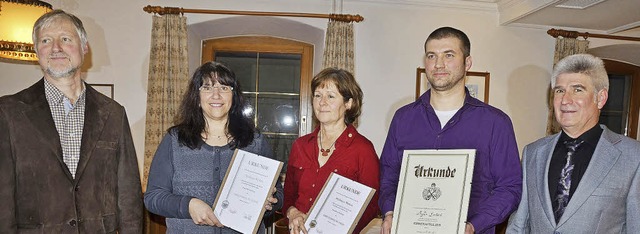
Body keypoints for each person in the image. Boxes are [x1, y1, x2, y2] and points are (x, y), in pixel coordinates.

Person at [0, 10, 142, 232]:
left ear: (84, 48)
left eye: (65, 39)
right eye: (46, 41)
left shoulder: (113, 113)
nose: (56, 48)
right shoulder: (8, 112)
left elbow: (129, 196)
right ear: (37, 50)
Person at [378, 26, 522, 234]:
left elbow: (510, 188)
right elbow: (388, 177)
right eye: (431, 56)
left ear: (467, 63)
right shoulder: (403, 118)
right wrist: (390, 213)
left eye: (449, 55)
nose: (438, 64)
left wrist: (473, 226)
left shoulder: (495, 123)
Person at [507, 54, 640, 233]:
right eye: (559, 91)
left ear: (600, 98)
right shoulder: (534, 152)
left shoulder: (633, 157)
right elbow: (519, 223)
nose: (565, 100)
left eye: (577, 90)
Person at [144, 61, 283, 233]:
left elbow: (278, 195)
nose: (216, 95)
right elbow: (153, 198)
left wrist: (270, 201)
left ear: (234, 96)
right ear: (197, 96)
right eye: (207, 87)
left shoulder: (255, 141)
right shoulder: (175, 140)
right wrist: (188, 205)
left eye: (224, 88)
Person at [283, 68, 380, 234]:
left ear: (348, 103)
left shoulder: (363, 149)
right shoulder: (300, 146)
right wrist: (292, 213)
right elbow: (289, 196)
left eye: (330, 96)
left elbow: (371, 205)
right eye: (318, 95)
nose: (322, 102)